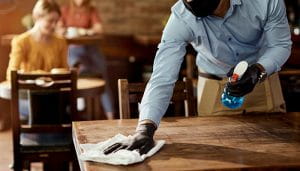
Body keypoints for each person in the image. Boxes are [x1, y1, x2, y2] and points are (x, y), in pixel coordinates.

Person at [104, 0, 292, 155]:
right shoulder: (182, 18)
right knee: (218, 155)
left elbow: (280, 45)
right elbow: (162, 77)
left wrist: (258, 70)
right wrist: (145, 127)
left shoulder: (264, 2)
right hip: (214, 87)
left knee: (281, 153)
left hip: (263, 82)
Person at [7, 0, 68, 119]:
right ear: (37, 18)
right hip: (28, 96)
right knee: (46, 108)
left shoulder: (61, 42)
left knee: (53, 106)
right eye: (50, 21)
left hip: (54, 95)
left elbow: (64, 71)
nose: (54, 25)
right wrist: (42, 76)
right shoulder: (21, 41)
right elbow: (11, 74)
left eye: (56, 21)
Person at [56, 0, 115, 119]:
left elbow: (99, 29)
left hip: (91, 50)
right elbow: (58, 29)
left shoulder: (91, 10)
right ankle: (73, 116)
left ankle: (112, 118)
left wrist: (84, 31)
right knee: (70, 79)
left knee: (104, 80)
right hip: (73, 51)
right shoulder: (65, 9)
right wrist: (66, 31)